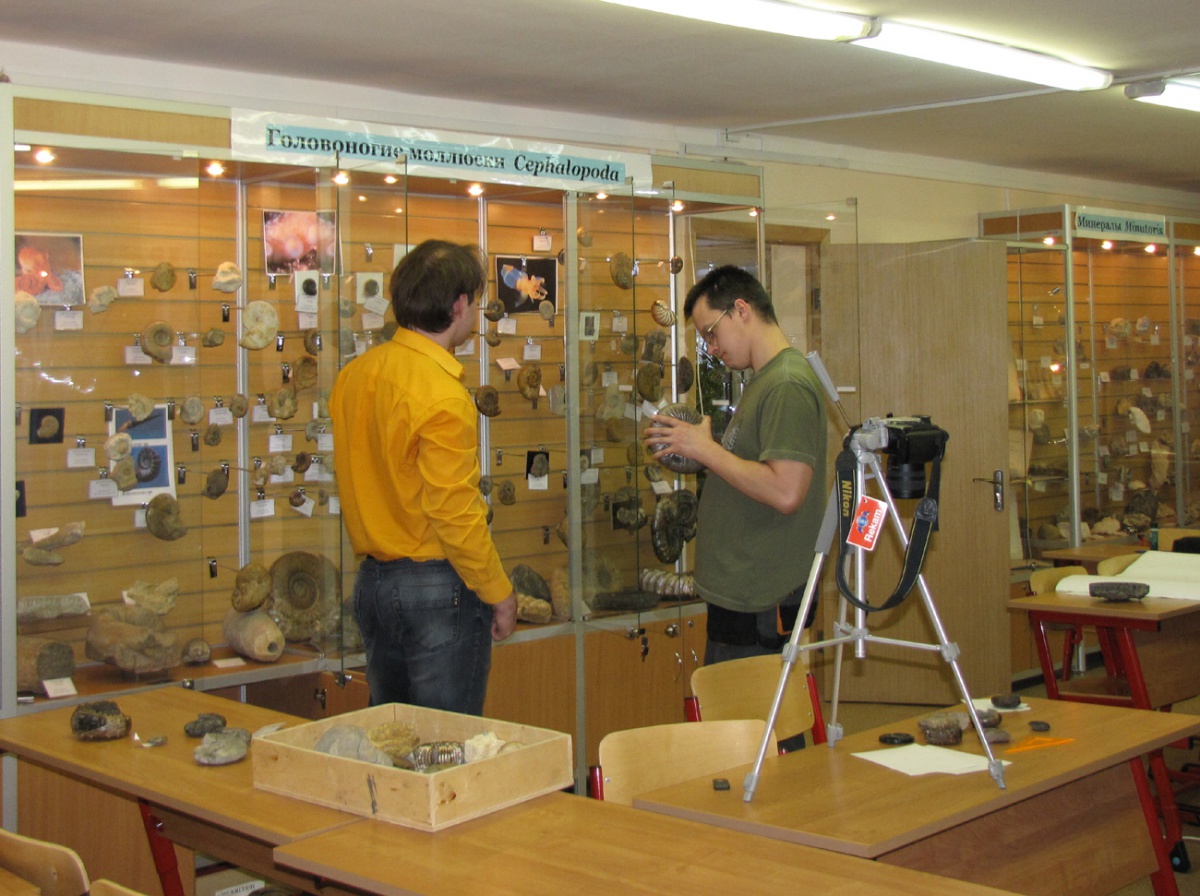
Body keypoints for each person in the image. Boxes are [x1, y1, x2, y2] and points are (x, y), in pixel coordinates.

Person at [331, 239, 517, 715]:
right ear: (459, 305)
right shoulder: (444, 395)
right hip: (435, 590)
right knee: (447, 742)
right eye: (475, 301)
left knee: (392, 737)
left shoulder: (355, 376)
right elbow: (454, 512)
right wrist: (499, 592)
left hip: (372, 584)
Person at [644, 265, 827, 667]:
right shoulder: (764, 380)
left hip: (760, 601)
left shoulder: (786, 384)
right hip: (742, 598)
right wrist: (702, 452)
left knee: (754, 710)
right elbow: (752, 473)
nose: (711, 348)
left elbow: (786, 491)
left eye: (711, 332)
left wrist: (707, 451)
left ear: (741, 310)